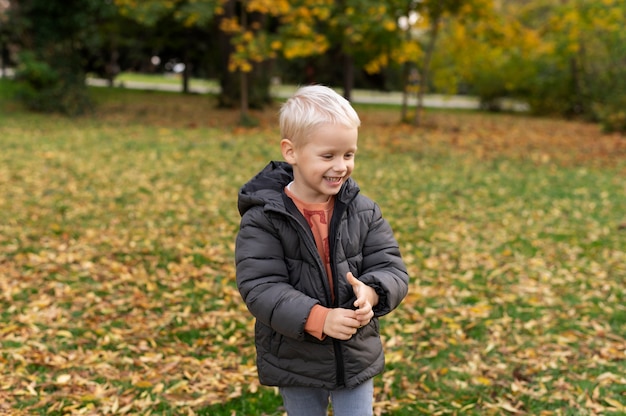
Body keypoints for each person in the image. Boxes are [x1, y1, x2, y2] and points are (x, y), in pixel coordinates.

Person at [235, 85, 409, 416]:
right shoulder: (265, 218)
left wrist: (372, 293)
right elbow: (260, 288)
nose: (341, 166)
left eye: (349, 154)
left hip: (355, 352)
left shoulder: (363, 210)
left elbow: (392, 267)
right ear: (291, 152)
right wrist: (320, 318)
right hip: (296, 354)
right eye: (328, 156)